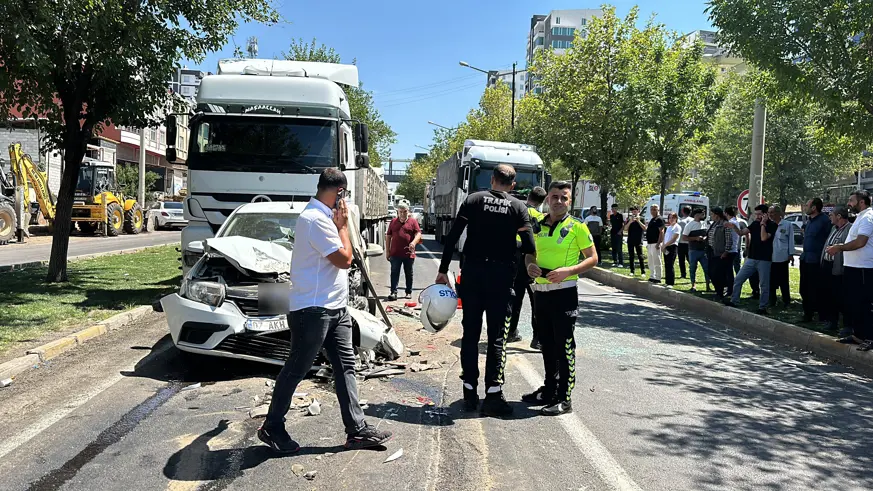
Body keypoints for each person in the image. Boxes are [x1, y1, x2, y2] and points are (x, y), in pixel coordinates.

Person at [258, 169, 392, 454]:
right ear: (339, 192)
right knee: (297, 369)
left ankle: (356, 431)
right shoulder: (315, 219)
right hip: (312, 310)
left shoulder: (325, 217)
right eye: (344, 195)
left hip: (335, 309)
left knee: (346, 367)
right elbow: (344, 260)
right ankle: (272, 426)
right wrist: (343, 227)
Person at [436, 164, 534, 416]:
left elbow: (453, 236)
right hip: (501, 278)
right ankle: (493, 394)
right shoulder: (518, 207)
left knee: (470, 334)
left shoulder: (474, 200)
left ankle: (469, 393)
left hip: (473, 275)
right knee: (497, 338)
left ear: (492, 180)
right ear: (512, 185)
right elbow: (529, 244)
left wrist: (442, 270)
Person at [523, 181, 597, 415]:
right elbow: (529, 253)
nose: (559, 202)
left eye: (564, 198)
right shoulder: (538, 225)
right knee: (546, 344)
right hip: (541, 294)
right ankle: (550, 389)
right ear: (547, 199)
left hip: (564, 294)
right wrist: (530, 265)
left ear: (570, 201)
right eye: (555, 197)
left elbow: (593, 258)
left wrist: (569, 270)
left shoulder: (578, 226)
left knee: (564, 347)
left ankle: (565, 399)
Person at [826, 190, 873, 350]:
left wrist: (839, 247)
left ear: (862, 202)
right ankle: (858, 336)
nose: (848, 203)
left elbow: (861, 242)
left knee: (864, 304)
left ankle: (870, 338)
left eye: (851, 200)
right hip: (852, 268)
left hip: (863, 268)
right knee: (854, 303)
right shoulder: (860, 217)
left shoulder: (868, 217)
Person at [508, 186, 547, 347]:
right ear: (542, 201)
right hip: (532, 261)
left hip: (514, 259)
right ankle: (537, 338)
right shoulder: (540, 217)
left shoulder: (516, 209)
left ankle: (511, 332)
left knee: (515, 299)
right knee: (536, 301)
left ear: (529, 196)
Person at [726, 204, 777, 314]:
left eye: (759, 214)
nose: (757, 216)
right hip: (752, 258)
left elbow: (764, 238)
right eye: (756, 214)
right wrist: (734, 227)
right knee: (739, 279)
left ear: (765, 214)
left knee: (764, 284)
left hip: (764, 259)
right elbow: (741, 233)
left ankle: (762, 307)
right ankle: (734, 300)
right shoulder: (754, 224)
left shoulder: (772, 225)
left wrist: (763, 224)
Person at [819, 205, 851, 334]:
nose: (829, 217)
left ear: (839, 216)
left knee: (840, 297)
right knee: (829, 295)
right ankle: (831, 321)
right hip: (828, 266)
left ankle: (846, 324)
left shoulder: (849, 229)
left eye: (832, 215)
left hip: (839, 268)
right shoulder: (834, 228)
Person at [799, 198, 831, 322]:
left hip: (816, 260)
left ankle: (821, 315)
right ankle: (807, 314)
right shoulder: (809, 221)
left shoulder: (824, 221)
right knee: (804, 288)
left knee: (816, 289)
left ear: (814, 208)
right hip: (805, 258)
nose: (805, 207)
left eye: (807, 205)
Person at [385, 201, 422, 301]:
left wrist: (413, 243)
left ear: (408, 211)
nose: (402, 214)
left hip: (408, 253)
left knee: (408, 272)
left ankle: (408, 292)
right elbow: (388, 236)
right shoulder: (393, 222)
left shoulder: (413, 222)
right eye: (400, 212)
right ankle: (393, 292)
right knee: (394, 272)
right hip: (395, 253)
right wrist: (387, 251)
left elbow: (418, 234)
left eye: (404, 212)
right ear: (397, 212)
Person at [768, 205, 795, 307]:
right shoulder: (769, 225)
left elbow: (791, 240)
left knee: (783, 281)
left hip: (782, 257)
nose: (770, 214)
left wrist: (790, 254)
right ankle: (772, 300)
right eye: (769, 212)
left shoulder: (787, 224)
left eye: (772, 212)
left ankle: (786, 300)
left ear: (779, 214)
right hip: (771, 257)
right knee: (771, 280)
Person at [705, 207, 734, 300]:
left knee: (717, 273)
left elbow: (729, 239)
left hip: (720, 253)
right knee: (710, 272)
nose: (711, 216)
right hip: (711, 251)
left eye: (712, 214)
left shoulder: (725, 224)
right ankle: (718, 291)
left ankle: (721, 292)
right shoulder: (714, 224)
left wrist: (726, 251)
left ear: (717, 215)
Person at [683, 208, 710, 292]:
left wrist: (705, 237)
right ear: (697, 215)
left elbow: (707, 234)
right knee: (692, 268)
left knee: (707, 269)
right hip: (693, 250)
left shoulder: (704, 223)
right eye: (702, 214)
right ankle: (693, 285)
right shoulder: (690, 225)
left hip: (703, 250)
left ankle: (708, 286)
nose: (704, 216)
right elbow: (684, 237)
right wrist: (696, 238)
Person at [624, 206, 646, 276]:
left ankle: (643, 271)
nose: (633, 212)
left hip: (638, 240)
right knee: (631, 256)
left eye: (635, 211)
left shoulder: (642, 218)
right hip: (630, 240)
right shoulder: (629, 219)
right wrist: (630, 222)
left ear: (638, 211)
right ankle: (632, 270)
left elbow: (645, 228)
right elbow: (625, 229)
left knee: (640, 256)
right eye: (632, 211)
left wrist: (638, 221)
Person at [645, 205, 665, 283]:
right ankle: (652, 276)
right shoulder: (652, 219)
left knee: (657, 260)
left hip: (655, 243)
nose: (653, 211)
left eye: (654, 210)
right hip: (650, 243)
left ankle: (658, 277)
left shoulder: (659, 219)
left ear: (658, 210)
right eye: (652, 209)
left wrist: (658, 243)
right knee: (651, 261)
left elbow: (661, 232)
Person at [663, 212, 682, 286]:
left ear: (676, 218)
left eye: (673, 218)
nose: (671, 219)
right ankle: (667, 281)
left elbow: (674, 239)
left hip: (672, 247)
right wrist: (663, 245)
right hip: (666, 246)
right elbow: (666, 237)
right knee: (666, 264)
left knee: (670, 264)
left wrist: (665, 245)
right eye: (670, 218)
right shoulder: (669, 227)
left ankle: (671, 283)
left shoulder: (677, 227)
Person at [677, 206, 693, 279]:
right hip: (690, 242)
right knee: (690, 260)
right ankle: (692, 272)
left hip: (681, 242)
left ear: (683, 211)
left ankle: (683, 274)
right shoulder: (693, 221)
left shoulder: (680, 221)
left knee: (681, 260)